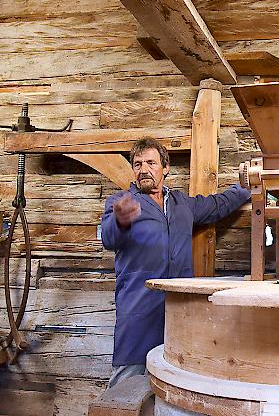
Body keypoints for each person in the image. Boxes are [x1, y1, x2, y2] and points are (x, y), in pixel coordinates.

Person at [100, 137, 250, 388]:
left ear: (165, 167)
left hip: (179, 311)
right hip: (139, 311)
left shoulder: (183, 205)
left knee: (176, 381)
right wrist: (120, 219)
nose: (143, 169)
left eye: (150, 162)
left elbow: (217, 205)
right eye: (137, 164)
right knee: (126, 384)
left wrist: (246, 188)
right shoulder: (122, 203)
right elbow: (108, 237)